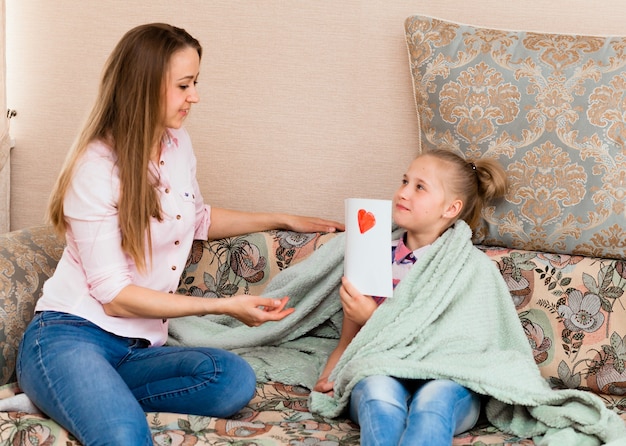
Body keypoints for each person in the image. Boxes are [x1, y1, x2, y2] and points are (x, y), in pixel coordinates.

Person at [15, 23, 343, 446]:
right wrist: (228, 305)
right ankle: (70, 386)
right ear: (145, 86)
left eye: (195, 83)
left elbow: (196, 219)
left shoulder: (176, 144)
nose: (195, 96)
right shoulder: (95, 168)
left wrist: (282, 219)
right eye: (184, 85)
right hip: (71, 334)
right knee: (123, 434)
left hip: (138, 349)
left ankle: (73, 394)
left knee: (231, 379)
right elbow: (114, 296)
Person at [313, 148, 508, 446]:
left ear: (451, 209)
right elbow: (348, 341)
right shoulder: (374, 256)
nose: (403, 193)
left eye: (419, 187)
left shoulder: (472, 268)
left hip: (447, 380)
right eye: (404, 181)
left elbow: (468, 349)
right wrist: (328, 379)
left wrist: (373, 317)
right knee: (378, 396)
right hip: (379, 371)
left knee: (434, 401)